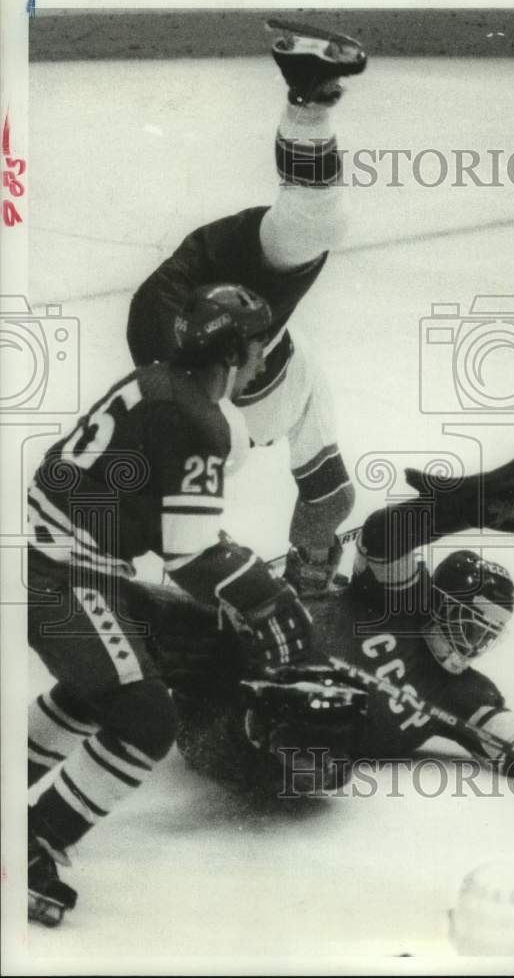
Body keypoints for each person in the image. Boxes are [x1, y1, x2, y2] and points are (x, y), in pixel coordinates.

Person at [26, 282, 365, 927]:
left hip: (55, 562)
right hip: (64, 576)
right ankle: (32, 842)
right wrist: (267, 597)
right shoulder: (197, 419)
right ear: (233, 352)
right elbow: (188, 555)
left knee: (107, 687)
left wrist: (234, 572)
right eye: (259, 346)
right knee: (148, 718)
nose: (263, 360)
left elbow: (159, 524)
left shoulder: (156, 383)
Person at [165, 442, 514, 799]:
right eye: (468, 624)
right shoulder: (406, 601)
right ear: (439, 602)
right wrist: (454, 510)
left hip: (239, 723)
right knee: (180, 614)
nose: (471, 645)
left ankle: (257, 726)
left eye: (485, 636)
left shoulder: (464, 693)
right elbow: (383, 537)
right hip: (229, 644)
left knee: (315, 749)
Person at [127, 19, 366, 598]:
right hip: (233, 377)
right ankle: (307, 100)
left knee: (316, 220)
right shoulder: (199, 412)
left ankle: (307, 97)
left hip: (243, 330)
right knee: (323, 494)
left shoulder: (187, 347)